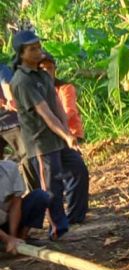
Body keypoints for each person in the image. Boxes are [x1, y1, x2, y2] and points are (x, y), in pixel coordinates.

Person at [10, 29, 90, 239]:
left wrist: (68, 133)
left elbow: (57, 108)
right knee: (51, 188)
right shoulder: (21, 81)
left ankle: (75, 217)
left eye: (39, 47)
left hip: (58, 138)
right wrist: (66, 136)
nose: (39, 52)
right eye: (32, 49)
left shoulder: (43, 74)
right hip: (41, 143)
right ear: (21, 53)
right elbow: (45, 113)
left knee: (78, 168)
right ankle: (57, 230)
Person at [0, 159, 50, 253]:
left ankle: (22, 238)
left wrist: (13, 236)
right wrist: (7, 239)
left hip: (7, 221)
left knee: (40, 196)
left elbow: (16, 204)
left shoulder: (10, 168)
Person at [0, 62, 37, 189]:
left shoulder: (2, 69)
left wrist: (10, 98)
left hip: (11, 122)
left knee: (27, 155)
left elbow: (7, 88)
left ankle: (35, 193)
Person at [38, 52, 86, 142]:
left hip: (72, 134)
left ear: (55, 70)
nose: (47, 71)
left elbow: (70, 111)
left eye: (49, 68)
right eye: (42, 69)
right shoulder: (36, 90)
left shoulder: (65, 88)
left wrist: (55, 126)